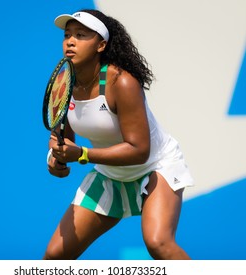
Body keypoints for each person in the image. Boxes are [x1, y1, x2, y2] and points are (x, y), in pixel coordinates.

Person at [44, 9, 194, 260]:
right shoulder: (63, 84)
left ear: (101, 44)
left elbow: (139, 150)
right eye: (67, 35)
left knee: (159, 243)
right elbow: (61, 137)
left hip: (156, 167)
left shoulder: (122, 82)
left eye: (81, 35)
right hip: (109, 175)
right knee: (54, 257)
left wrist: (80, 154)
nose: (70, 41)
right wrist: (55, 155)